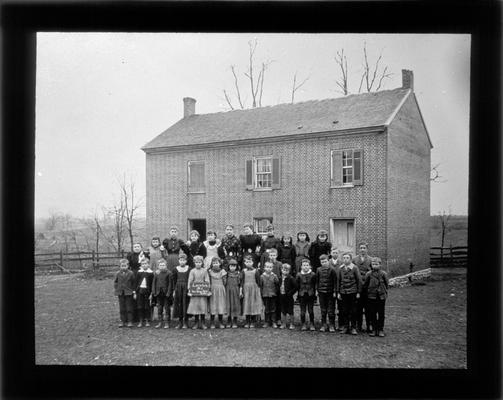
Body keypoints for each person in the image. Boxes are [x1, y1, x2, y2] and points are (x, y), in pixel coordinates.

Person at [337, 252, 362, 335]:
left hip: (353, 292)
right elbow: (339, 281)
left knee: (353, 310)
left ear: (351, 259)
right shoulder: (340, 268)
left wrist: (358, 292)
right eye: (344, 258)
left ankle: (353, 327)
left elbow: (359, 280)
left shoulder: (355, 268)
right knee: (344, 310)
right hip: (343, 292)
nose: (345, 259)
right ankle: (346, 327)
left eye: (347, 258)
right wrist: (338, 292)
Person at [363, 257, 389, 337]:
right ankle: (374, 329)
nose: (375, 266)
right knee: (372, 313)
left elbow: (386, 284)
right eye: (373, 264)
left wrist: (383, 292)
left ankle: (380, 329)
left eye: (376, 264)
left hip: (381, 297)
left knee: (381, 313)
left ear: (380, 265)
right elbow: (366, 285)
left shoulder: (383, 274)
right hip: (371, 296)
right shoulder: (368, 274)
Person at [353, 242, 372, 333]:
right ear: (358, 249)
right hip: (357, 287)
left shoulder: (371, 260)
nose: (362, 249)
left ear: (367, 249)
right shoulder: (354, 259)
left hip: (367, 287)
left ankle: (369, 325)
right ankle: (358, 325)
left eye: (364, 248)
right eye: (361, 248)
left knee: (368, 307)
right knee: (358, 308)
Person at [187, 255, 210, 329]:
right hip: (195, 292)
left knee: (202, 307)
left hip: (202, 292)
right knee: (196, 307)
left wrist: (207, 289)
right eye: (196, 262)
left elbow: (207, 280)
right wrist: (190, 290)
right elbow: (190, 281)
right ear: (194, 263)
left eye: (199, 262)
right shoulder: (192, 271)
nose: (198, 264)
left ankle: (203, 323)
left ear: (202, 263)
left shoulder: (205, 271)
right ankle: (196, 322)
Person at [316, 254, 337, 332]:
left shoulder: (332, 270)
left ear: (328, 261)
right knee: (323, 309)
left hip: (330, 293)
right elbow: (317, 281)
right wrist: (317, 290)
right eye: (322, 262)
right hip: (321, 292)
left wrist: (335, 291)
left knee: (331, 310)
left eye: (325, 261)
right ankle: (323, 324)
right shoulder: (318, 270)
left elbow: (335, 281)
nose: (324, 263)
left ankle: (331, 324)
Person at [241, 254, 262, 328]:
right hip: (246, 289)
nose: (248, 263)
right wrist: (241, 291)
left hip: (254, 290)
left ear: (253, 262)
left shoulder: (256, 271)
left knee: (253, 304)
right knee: (247, 304)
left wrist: (258, 290)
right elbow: (242, 281)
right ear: (244, 263)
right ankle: (247, 321)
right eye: (247, 262)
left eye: (250, 262)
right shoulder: (243, 271)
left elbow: (258, 282)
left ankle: (253, 321)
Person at [152, 259, 173, 329]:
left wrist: (169, 292)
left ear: (166, 265)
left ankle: (167, 322)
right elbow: (154, 283)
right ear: (158, 266)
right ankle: (160, 322)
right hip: (158, 293)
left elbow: (170, 284)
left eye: (163, 265)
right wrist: (154, 292)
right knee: (159, 308)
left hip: (166, 293)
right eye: (160, 265)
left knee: (167, 308)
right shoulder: (156, 273)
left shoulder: (169, 273)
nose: (162, 266)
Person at [114, 259, 135, 328]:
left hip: (128, 292)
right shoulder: (117, 273)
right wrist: (117, 289)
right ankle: (122, 321)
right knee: (122, 308)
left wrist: (132, 290)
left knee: (129, 307)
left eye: (125, 266)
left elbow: (133, 282)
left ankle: (130, 321)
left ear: (128, 266)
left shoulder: (131, 273)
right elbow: (115, 282)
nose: (123, 267)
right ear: (120, 266)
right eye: (122, 266)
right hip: (120, 293)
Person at [296, 259, 316, 331]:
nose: (305, 267)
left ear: (310, 266)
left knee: (310, 310)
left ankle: (312, 323)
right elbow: (297, 286)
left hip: (310, 295)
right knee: (302, 311)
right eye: (304, 265)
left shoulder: (313, 274)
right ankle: (303, 323)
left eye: (307, 265)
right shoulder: (299, 275)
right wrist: (298, 295)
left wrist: (314, 295)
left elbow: (314, 285)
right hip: (302, 295)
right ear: (301, 267)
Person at [172, 253, 190, 329]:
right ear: (178, 260)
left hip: (186, 288)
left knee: (186, 304)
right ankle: (180, 322)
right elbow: (174, 281)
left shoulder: (189, 269)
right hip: (178, 288)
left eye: (183, 260)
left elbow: (190, 279)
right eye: (180, 260)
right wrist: (174, 290)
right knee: (179, 304)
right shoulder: (175, 269)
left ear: (186, 261)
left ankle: (186, 321)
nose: (182, 262)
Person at [208, 257, 227, 329]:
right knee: (213, 305)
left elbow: (225, 282)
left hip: (220, 289)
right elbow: (208, 281)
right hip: (213, 290)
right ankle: (212, 322)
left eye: (217, 263)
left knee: (220, 305)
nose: (215, 264)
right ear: (212, 264)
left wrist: (222, 285)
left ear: (220, 263)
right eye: (214, 263)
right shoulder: (210, 271)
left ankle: (220, 322)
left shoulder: (222, 271)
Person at [135, 258, 154, 327]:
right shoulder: (139, 272)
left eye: (145, 264)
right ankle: (140, 320)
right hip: (140, 291)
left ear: (148, 264)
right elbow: (136, 283)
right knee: (140, 306)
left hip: (147, 292)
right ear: (141, 265)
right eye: (143, 264)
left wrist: (151, 293)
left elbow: (152, 284)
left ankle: (147, 320)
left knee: (147, 306)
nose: (144, 265)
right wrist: (135, 292)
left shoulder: (151, 273)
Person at [260, 261, 279, 328]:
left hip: (273, 294)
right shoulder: (262, 276)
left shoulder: (274, 276)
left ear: (272, 268)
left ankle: (274, 321)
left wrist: (275, 292)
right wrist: (261, 294)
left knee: (273, 309)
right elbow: (261, 286)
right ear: (264, 268)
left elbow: (277, 284)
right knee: (267, 309)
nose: (269, 269)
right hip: (265, 295)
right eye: (267, 267)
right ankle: (267, 321)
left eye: (270, 267)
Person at [278, 263, 297, 330]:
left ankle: (292, 324)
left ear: (289, 271)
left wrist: (290, 293)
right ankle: (283, 323)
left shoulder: (291, 278)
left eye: (287, 270)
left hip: (289, 297)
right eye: (283, 270)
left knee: (290, 311)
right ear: (281, 270)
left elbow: (295, 287)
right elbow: (278, 286)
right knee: (283, 310)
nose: (285, 271)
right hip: (281, 296)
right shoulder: (279, 278)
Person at [329, 247, 344, 330]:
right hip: (330, 289)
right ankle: (332, 324)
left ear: (338, 254)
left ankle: (340, 324)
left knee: (340, 307)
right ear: (331, 253)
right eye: (333, 252)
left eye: (336, 253)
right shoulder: (328, 262)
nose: (335, 254)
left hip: (340, 288)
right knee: (331, 307)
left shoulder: (342, 263)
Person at [225, 259, 242, 328]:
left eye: (234, 266)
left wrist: (240, 291)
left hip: (236, 291)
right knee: (228, 305)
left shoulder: (238, 274)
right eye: (231, 266)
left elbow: (240, 283)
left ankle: (235, 320)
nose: (232, 268)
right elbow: (224, 282)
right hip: (228, 291)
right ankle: (229, 320)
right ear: (228, 266)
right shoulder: (226, 274)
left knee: (235, 304)